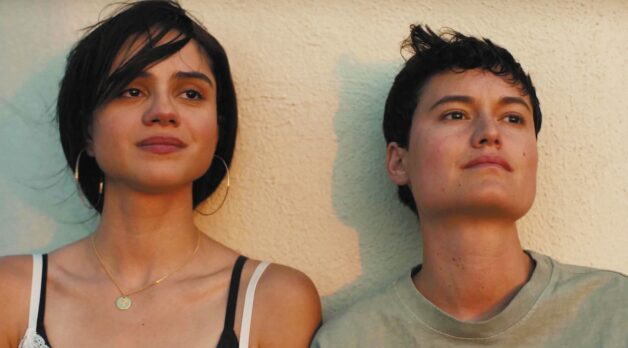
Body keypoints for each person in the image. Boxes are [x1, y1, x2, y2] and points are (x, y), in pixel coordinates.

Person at [0, 1, 320, 347]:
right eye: (132, 91)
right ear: (87, 130)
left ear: (217, 128)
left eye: (191, 94)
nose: (164, 111)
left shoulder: (274, 299)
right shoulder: (12, 292)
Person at [312, 25, 627, 347]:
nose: (490, 132)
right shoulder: (351, 339)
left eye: (513, 118)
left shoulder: (616, 311)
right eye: (455, 114)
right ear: (399, 162)